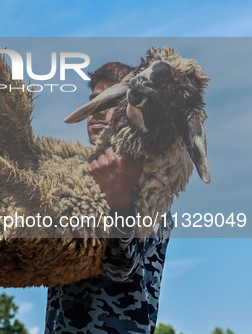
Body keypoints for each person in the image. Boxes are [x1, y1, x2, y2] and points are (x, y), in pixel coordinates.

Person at [45, 62, 172, 333]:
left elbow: (121, 267)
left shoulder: (152, 185)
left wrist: (120, 201)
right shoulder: (73, 180)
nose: (97, 111)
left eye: (111, 100)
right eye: (93, 102)